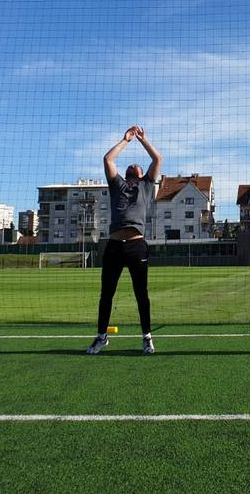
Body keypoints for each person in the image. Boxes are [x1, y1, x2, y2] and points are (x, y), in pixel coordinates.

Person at [87, 125, 163, 355]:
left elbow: (157, 158)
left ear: (140, 175)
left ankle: (147, 337)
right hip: (114, 245)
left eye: (136, 167)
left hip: (136, 246)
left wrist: (142, 140)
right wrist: (126, 140)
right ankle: (101, 337)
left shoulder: (147, 186)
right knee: (106, 294)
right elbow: (108, 159)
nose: (132, 165)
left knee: (142, 294)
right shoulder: (117, 185)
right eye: (130, 166)